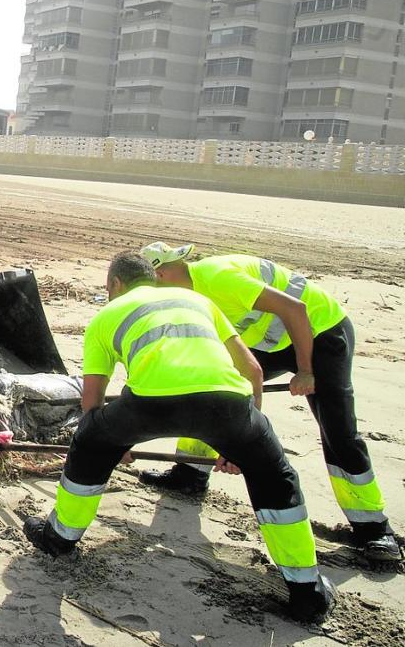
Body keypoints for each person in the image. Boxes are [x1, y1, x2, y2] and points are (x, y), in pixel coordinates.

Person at [23, 252, 336, 624]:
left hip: (149, 405)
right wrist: (240, 444)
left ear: (114, 285)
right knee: (275, 477)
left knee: (88, 443)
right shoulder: (200, 301)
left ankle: (59, 539)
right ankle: (306, 591)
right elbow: (252, 369)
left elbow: (92, 400)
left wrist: (111, 445)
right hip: (227, 407)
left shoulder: (107, 316)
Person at [141, 242, 399, 562]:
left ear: (162, 273)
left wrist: (306, 371)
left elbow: (295, 310)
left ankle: (374, 529)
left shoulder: (217, 278)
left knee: (337, 430)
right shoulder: (185, 297)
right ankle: (189, 474)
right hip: (273, 343)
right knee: (211, 389)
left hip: (320, 332)